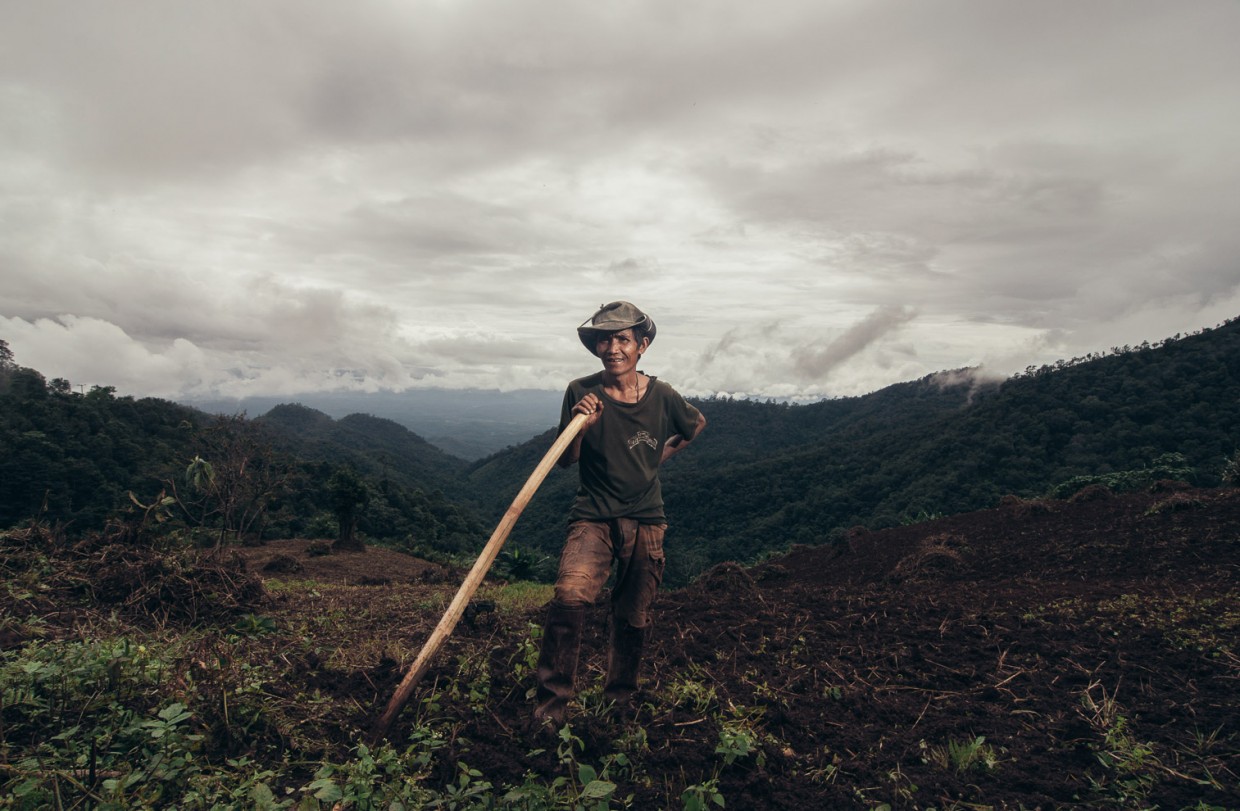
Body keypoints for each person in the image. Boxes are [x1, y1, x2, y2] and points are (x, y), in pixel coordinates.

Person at [533, 301, 706, 727]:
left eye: (623, 339)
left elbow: (695, 424)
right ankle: (551, 709)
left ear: (641, 346)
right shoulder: (581, 391)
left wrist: (657, 459)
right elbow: (566, 460)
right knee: (569, 597)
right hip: (592, 516)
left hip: (647, 519)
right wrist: (582, 429)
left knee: (633, 614)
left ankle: (619, 707)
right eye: (604, 339)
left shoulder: (662, 395)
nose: (613, 347)